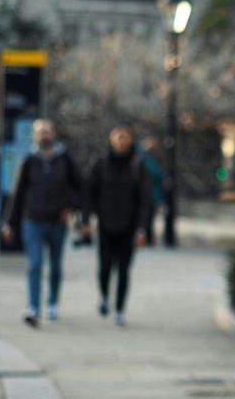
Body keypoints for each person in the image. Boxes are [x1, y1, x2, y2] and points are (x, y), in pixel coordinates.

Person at [1, 119, 82, 328]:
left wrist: (71, 208)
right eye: (40, 132)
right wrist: (9, 222)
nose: (44, 136)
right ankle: (33, 307)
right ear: (35, 136)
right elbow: (17, 193)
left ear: (54, 134)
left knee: (55, 265)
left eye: (47, 132)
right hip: (33, 220)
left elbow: (79, 188)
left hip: (57, 221)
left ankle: (53, 302)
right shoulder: (28, 160)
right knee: (35, 264)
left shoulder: (65, 160)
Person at [81, 124, 151, 327]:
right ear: (111, 140)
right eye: (118, 137)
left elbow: (145, 200)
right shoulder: (101, 164)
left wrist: (142, 229)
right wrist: (85, 220)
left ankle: (120, 309)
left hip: (129, 228)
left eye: (125, 137)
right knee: (104, 268)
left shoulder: (137, 165)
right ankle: (104, 296)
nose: (122, 141)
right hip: (105, 226)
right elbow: (88, 194)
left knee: (123, 270)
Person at [136, 135, 164, 246]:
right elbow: (156, 173)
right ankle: (145, 238)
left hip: (151, 195)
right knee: (145, 218)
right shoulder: (143, 156)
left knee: (148, 218)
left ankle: (146, 238)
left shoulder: (147, 156)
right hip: (147, 194)